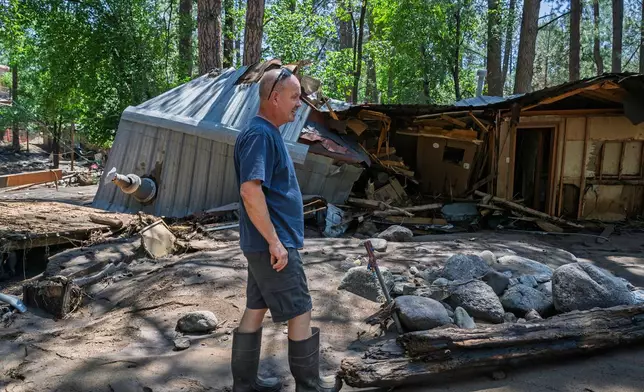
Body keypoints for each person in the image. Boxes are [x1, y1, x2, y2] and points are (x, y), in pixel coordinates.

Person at [231, 67, 342, 392]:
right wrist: (275, 242)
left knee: (256, 307)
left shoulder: (265, 133)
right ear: (274, 97)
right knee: (301, 308)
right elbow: (250, 191)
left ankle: (245, 384)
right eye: (294, 97)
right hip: (271, 246)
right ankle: (309, 387)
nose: (299, 104)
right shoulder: (260, 135)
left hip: (264, 243)